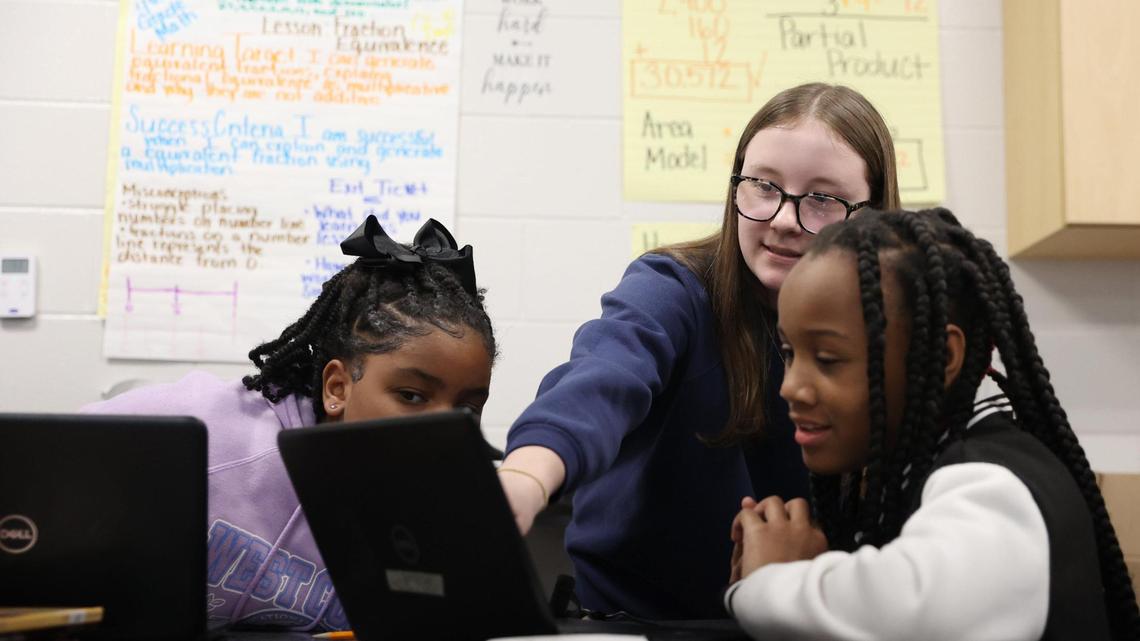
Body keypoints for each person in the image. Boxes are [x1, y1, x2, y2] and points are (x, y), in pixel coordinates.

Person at [497, 82, 902, 619]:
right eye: (763, 185)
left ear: (872, 214)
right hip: (636, 620)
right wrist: (526, 475)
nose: (782, 217)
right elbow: (602, 377)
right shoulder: (674, 288)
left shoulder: (893, 331)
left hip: (805, 617)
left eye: (823, 199)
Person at [726, 209, 1140, 641]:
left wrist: (773, 581)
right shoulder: (915, 470)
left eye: (828, 359)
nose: (791, 388)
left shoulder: (990, 485)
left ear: (941, 358)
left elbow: (913, 614)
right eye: (791, 353)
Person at [82, 216, 497, 632]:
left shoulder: (443, 508)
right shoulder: (212, 433)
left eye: (467, 409)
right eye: (411, 396)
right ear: (337, 388)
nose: (446, 429)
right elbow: (47, 459)